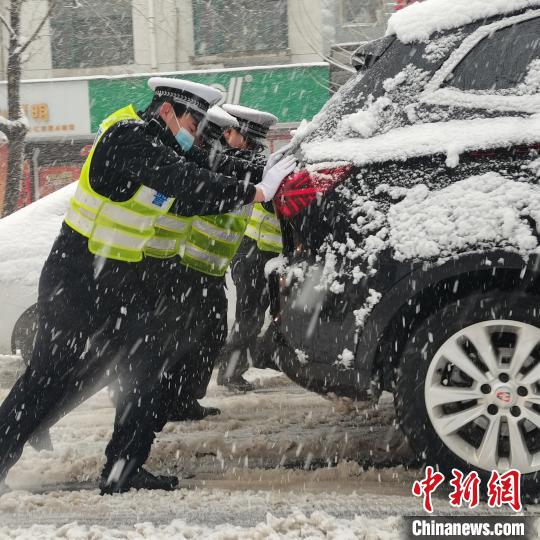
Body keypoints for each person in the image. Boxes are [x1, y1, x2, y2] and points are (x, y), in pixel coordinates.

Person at [0, 77, 294, 495]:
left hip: (119, 280)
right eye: (193, 123)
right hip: (77, 277)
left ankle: (123, 470)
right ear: (169, 111)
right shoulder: (128, 138)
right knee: (48, 377)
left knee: (146, 366)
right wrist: (257, 191)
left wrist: (263, 172)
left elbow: (213, 167)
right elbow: (185, 182)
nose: (196, 134)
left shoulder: (165, 143)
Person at [216, 104, 285, 392]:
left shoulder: (255, 162)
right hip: (253, 251)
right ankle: (230, 372)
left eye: (230, 131)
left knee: (256, 315)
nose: (225, 135)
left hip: (259, 252)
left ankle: (249, 359)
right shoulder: (252, 164)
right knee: (249, 316)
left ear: (243, 136)